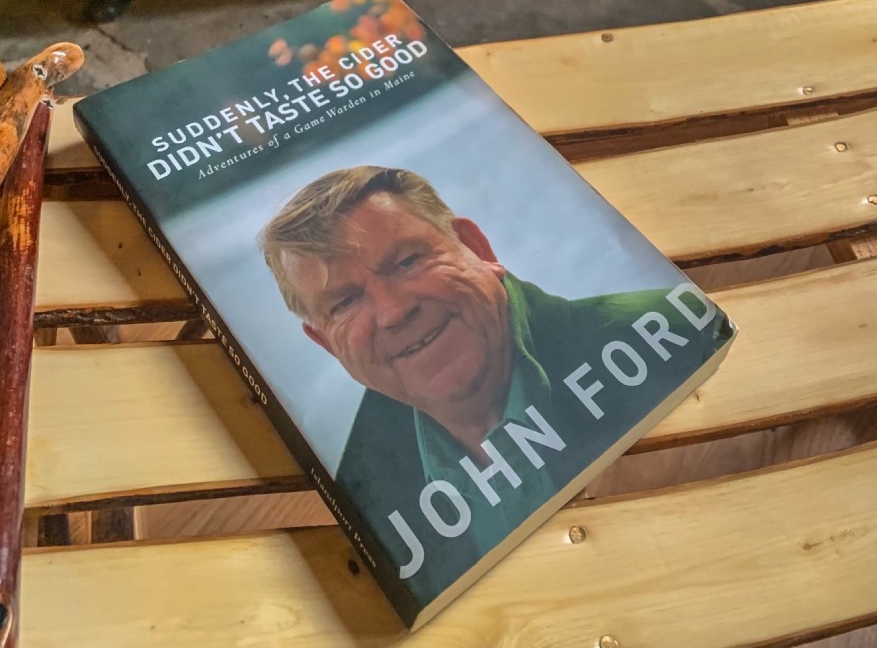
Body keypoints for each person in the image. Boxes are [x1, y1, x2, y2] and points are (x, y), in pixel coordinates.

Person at [258, 165, 724, 600]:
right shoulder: (365, 502)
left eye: (406, 262)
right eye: (345, 303)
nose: (394, 311)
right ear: (327, 345)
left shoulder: (675, 331)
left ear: (477, 250)